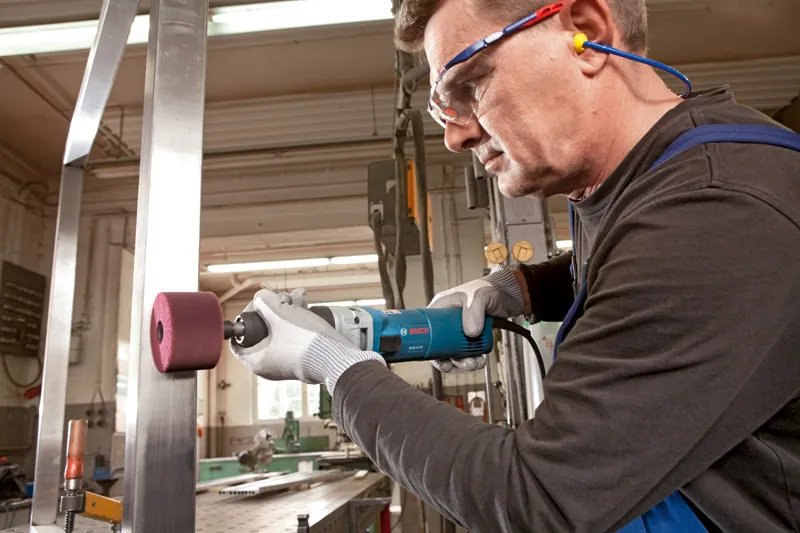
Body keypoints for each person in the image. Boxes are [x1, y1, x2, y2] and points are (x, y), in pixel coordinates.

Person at [229, 0, 800, 531]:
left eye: (470, 84)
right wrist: (518, 288)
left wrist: (335, 368)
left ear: (588, 32)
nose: (454, 135)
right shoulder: (648, 178)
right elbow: (623, 263)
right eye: (441, 106)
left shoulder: (715, 208)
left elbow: (535, 499)